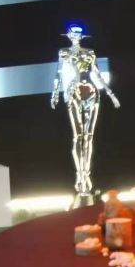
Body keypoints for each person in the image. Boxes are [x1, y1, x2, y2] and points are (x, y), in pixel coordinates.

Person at [51, 25, 120, 207]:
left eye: (79, 34)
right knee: (78, 135)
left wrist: (111, 94)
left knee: (88, 136)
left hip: (92, 91)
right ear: (69, 36)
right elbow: (59, 73)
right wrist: (55, 93)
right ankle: (79, 176)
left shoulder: (90, 53)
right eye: (74, 34)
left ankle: (86, 176)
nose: (76, 37)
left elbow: (97, 74)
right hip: (73, 91)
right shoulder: (64, 52)